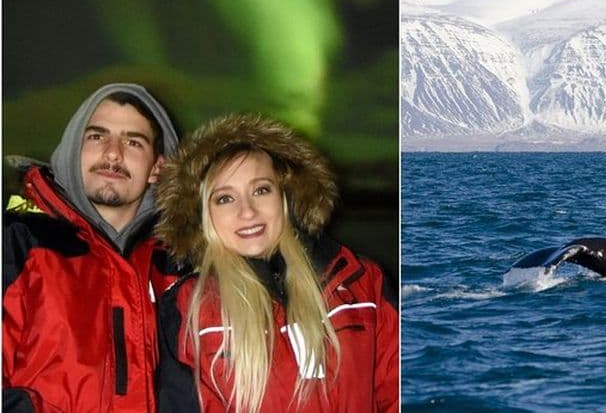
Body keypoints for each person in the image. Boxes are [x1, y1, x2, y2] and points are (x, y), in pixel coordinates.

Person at [155, 114, 398, 412]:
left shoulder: (362, 283)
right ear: (204, 216)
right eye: (224, 199)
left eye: (261, 190)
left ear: (285, 196)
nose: (248, 212)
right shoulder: (186, 310)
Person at [3, 83, 181, 412]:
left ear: (158, 168)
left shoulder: (182, 268)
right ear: (73, 149)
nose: (113, 153)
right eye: (97, 136)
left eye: (133, 141)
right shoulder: (16, 243)